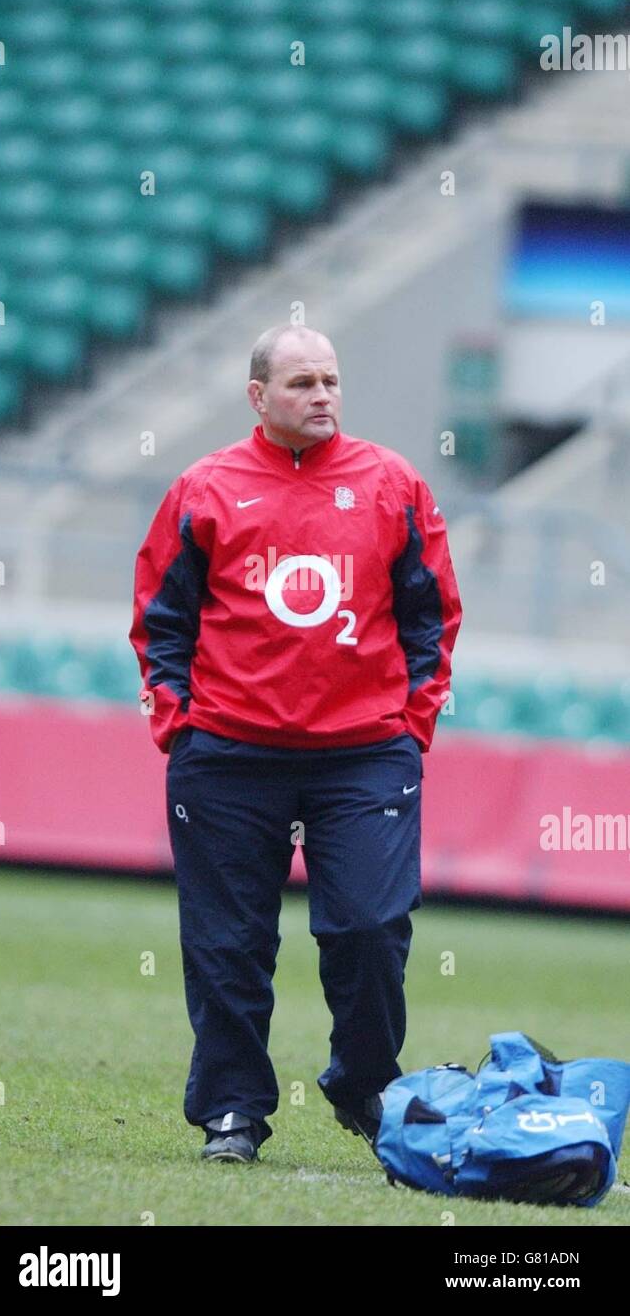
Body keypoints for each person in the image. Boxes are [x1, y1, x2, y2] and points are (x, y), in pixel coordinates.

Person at [129, 324, 463, 1164]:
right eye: (301, 383)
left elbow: (432, 616)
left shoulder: (394, 485)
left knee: (368, 928)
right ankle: (232, 1112)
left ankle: (362, 1083)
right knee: (228, 943)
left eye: (330, 381)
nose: (321, 396)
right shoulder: (203, 488)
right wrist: (181, 722)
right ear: (258, 397)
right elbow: (161, 619)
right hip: (230, 755)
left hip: (364, 752)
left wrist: (411, 721)